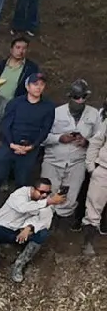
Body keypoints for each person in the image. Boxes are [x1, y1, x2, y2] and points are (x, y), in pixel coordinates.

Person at [0, 72, 54, 220]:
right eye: (35, 84)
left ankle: (16, 215)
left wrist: (32, 146)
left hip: (30, 150)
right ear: (27, 86)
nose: (38, 88)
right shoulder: (15, 103)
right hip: (9, 146)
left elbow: (45, 129)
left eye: (41, 85)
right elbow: (6, 125)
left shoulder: (48, 106)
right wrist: (12, 144)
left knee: (22, 184)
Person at [0, 178, 61, 280]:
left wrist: (29, 227)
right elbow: (23, 207)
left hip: (20, 234)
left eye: (47, 193)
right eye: (41, 192)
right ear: (33, 189)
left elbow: (45, 222)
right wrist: (47, 202)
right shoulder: (20, 193)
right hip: (3, 229)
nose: (44, 195)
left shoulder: (46, 201)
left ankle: (19, 265)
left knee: (43, 233)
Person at [42, 80, 100, 222]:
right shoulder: (56, 112)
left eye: (83, 97)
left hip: (77, 162)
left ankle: (61, 222)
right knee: (48, 191)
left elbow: (99, 139)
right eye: (76, 97)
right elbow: (42, 137)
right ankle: (44, 220)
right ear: (70, 97)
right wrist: (59, 138)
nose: (80, 100)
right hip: (53, 160)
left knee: (71, 194)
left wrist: (86, 142)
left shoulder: (93, 114)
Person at [82, 121, 106, 253]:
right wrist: (91, 167)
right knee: (93, 208)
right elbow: (96, 142)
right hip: (104, 170)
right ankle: (88, 244)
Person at [0, 36, 39, 104]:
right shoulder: (0, 65)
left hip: (15, 106)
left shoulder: (30, 68)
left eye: (24, 48)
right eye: (18, 47)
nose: (21, 51)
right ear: (11, 49)